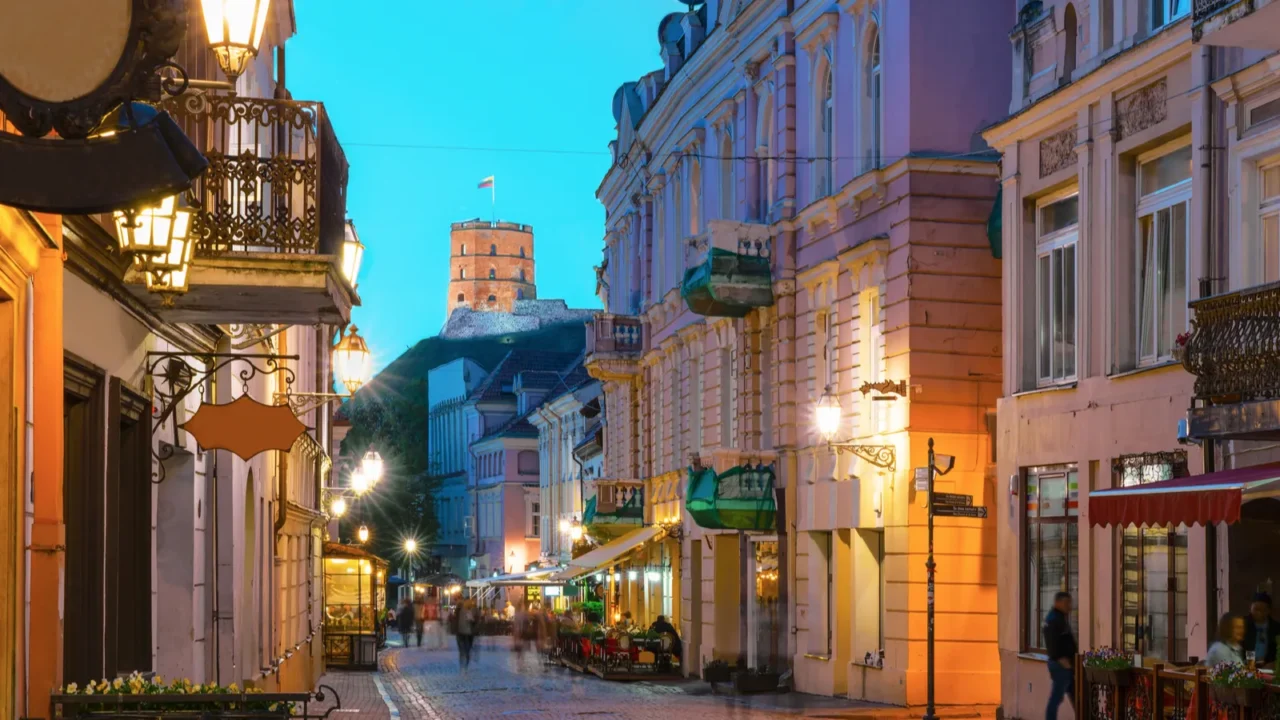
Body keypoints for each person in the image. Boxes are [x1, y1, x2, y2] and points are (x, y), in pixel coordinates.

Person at [1044, 592, 1077, 720]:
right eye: (1067, 603)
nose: (1069, 606)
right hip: (1061, 665)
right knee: (1056, 697)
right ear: (1058, 602)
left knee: (1076, 695)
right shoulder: (1053, 619)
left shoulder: (1060, 617)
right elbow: (1052, 642)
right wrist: (1060, 659)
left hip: (1066, 665)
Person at [1244, 592, 1279, 667]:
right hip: (1246, 666)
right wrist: (1250, 664)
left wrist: (1275, 663)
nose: (1259, 613)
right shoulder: (1243, 624)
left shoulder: (1276, 628)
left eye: (1263, 610)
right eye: (1256, 609)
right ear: (1250, 608)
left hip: (1269, 667)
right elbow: (1245, 645)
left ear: (1269, 611)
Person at [452, 601, 477, 670]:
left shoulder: (457, 613)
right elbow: (472, 620)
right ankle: (465, 664)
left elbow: (454, 622)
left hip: (460, 633)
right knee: (467, 649)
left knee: (461, 650)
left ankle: (462, 663)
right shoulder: (468, 611)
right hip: (468, 633)